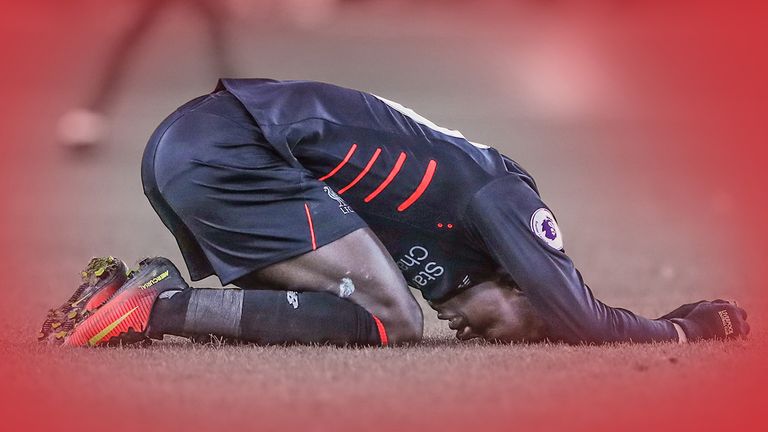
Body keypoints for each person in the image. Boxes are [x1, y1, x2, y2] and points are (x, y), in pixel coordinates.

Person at [39, 79, 749, 347]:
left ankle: (126, 293)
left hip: (197, 147)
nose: (466, 332)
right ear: (518, 278)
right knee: (392, 319)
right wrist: (684, 328)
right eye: (507, 329)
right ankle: (153, 307)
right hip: (228, 145)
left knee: (351, 311)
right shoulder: (502, 198)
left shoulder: (438, 224)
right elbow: (582, 320)